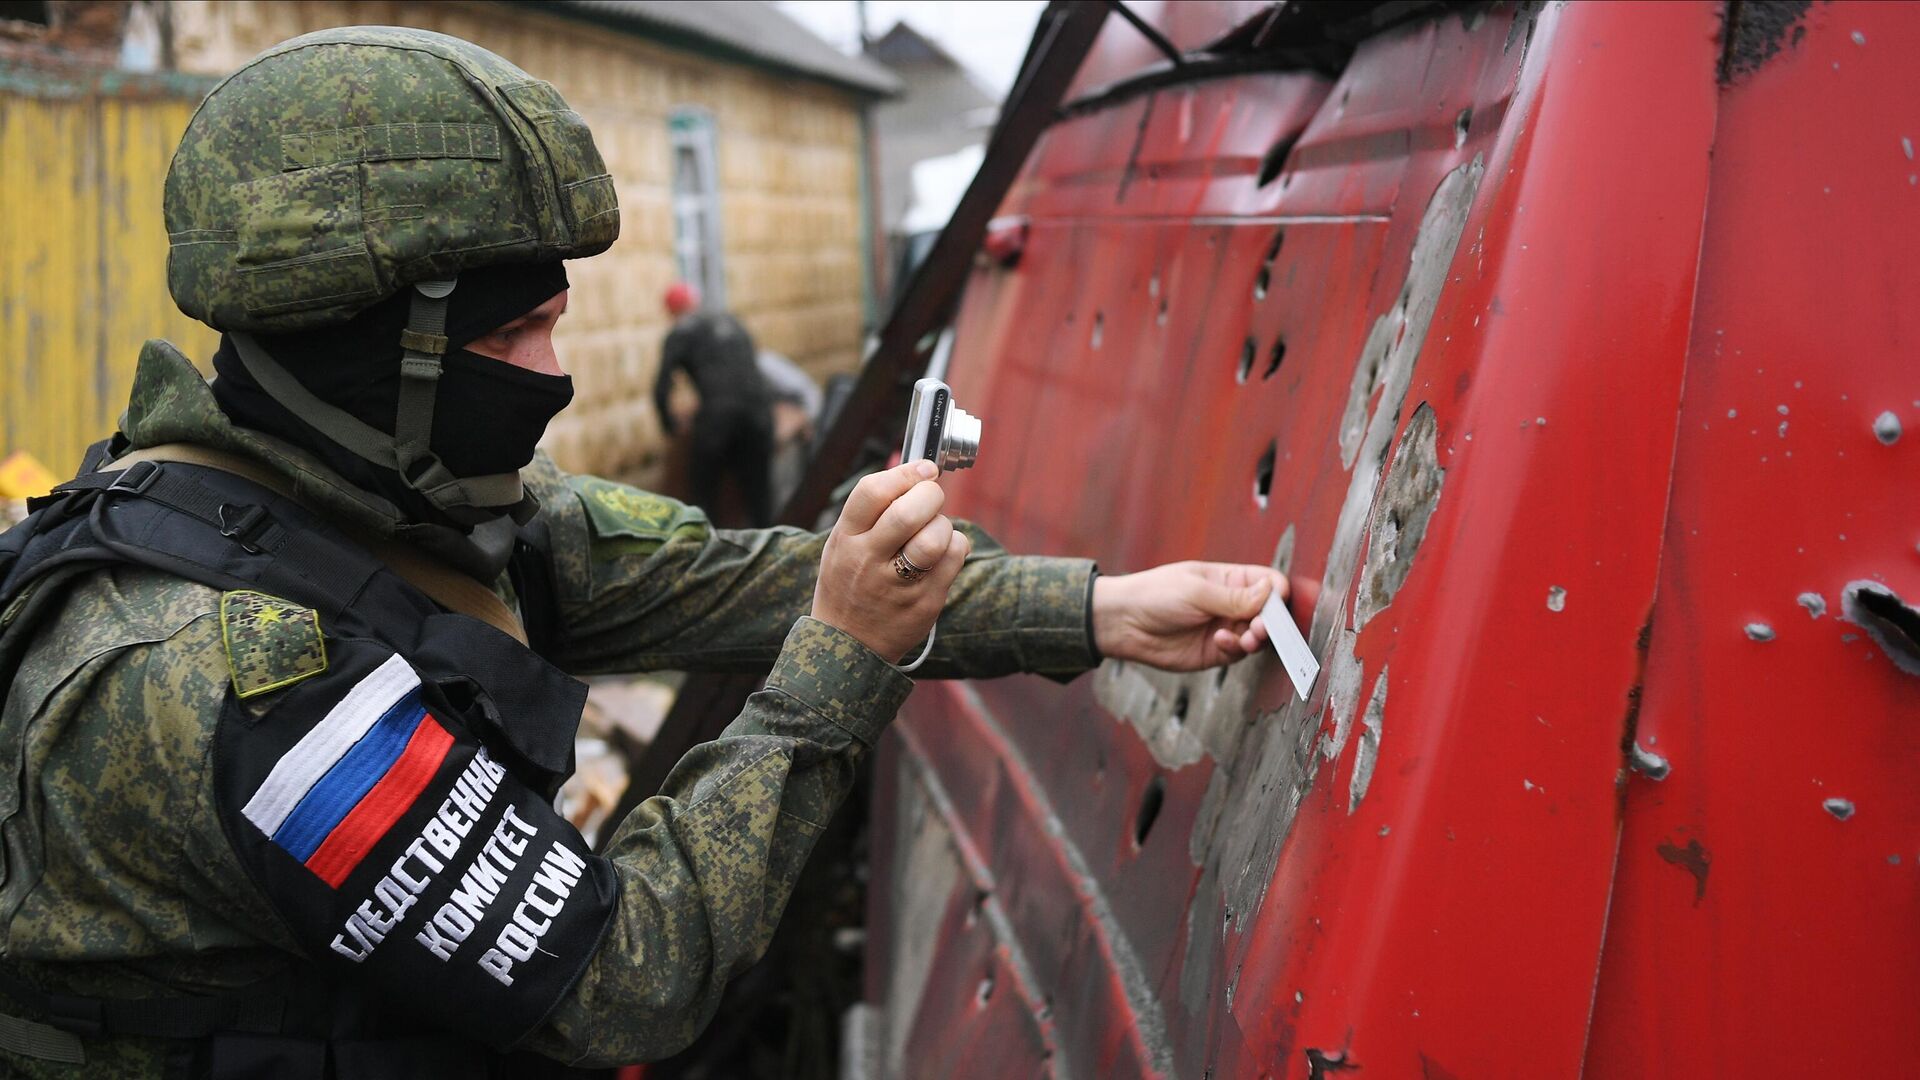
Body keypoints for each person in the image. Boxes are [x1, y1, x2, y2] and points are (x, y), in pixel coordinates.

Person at [0, 27, 1289, 1079]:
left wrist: (1100, 610)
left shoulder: (384, 502)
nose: (555, 379)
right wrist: (838, 668)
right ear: (376, 356)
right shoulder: (234, 689)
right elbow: (622, 983)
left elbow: (735, 581)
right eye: (520, 337)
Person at [653, 282, 776, 527]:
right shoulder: (733, 322)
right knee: (758, 496)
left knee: (703, 495)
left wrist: (671, 427)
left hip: (718, 417)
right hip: (759, 412)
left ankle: (711, 550)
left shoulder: (680, 333)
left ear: (672, 313)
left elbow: (661, 387)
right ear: (694, 302)